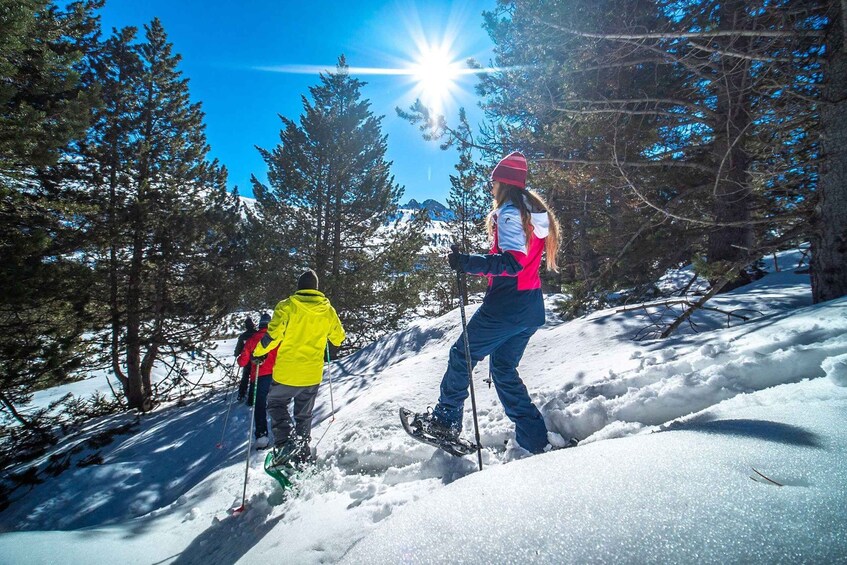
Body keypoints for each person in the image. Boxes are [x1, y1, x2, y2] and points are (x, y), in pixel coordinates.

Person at [412, 151, 561, 454]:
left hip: (506, 305)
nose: (490, 188)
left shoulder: (509, 212)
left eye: (492, 182)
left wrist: (467, 262)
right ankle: (534, 438)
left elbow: (512, 262)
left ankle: (445, 422)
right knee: (503, 369)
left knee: (461, 355)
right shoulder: (532, 212)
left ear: (503, 183)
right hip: (530, 306)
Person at [253, 269, 345, 468]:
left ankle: (285, 445)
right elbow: (338, 337)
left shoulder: (286, 306)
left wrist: (259, 351)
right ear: (316, 289)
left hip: (287, 372)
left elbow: (273, 335)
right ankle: (302, 453)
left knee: (276, 404)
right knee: (304, 415)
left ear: (299, 287)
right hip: (311, 374)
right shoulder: (327, 310)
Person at [237, 313, 276, 449]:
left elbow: (243, 362)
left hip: (259, 376)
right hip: (276, 375)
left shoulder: (253, 339)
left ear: (259, 325)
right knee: (278, 405)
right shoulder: (275, 337)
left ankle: (262, 436)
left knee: (260, 406)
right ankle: (281, 434)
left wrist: (239, 360)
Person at [234, 316, 257, 403]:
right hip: (255, 359)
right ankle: (251, 397)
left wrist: (236, 354)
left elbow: (238, 348)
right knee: (253, 378)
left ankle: (242, 393)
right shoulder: (256, 334)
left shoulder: (243, 336)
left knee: (245, 377)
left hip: (245, 359)